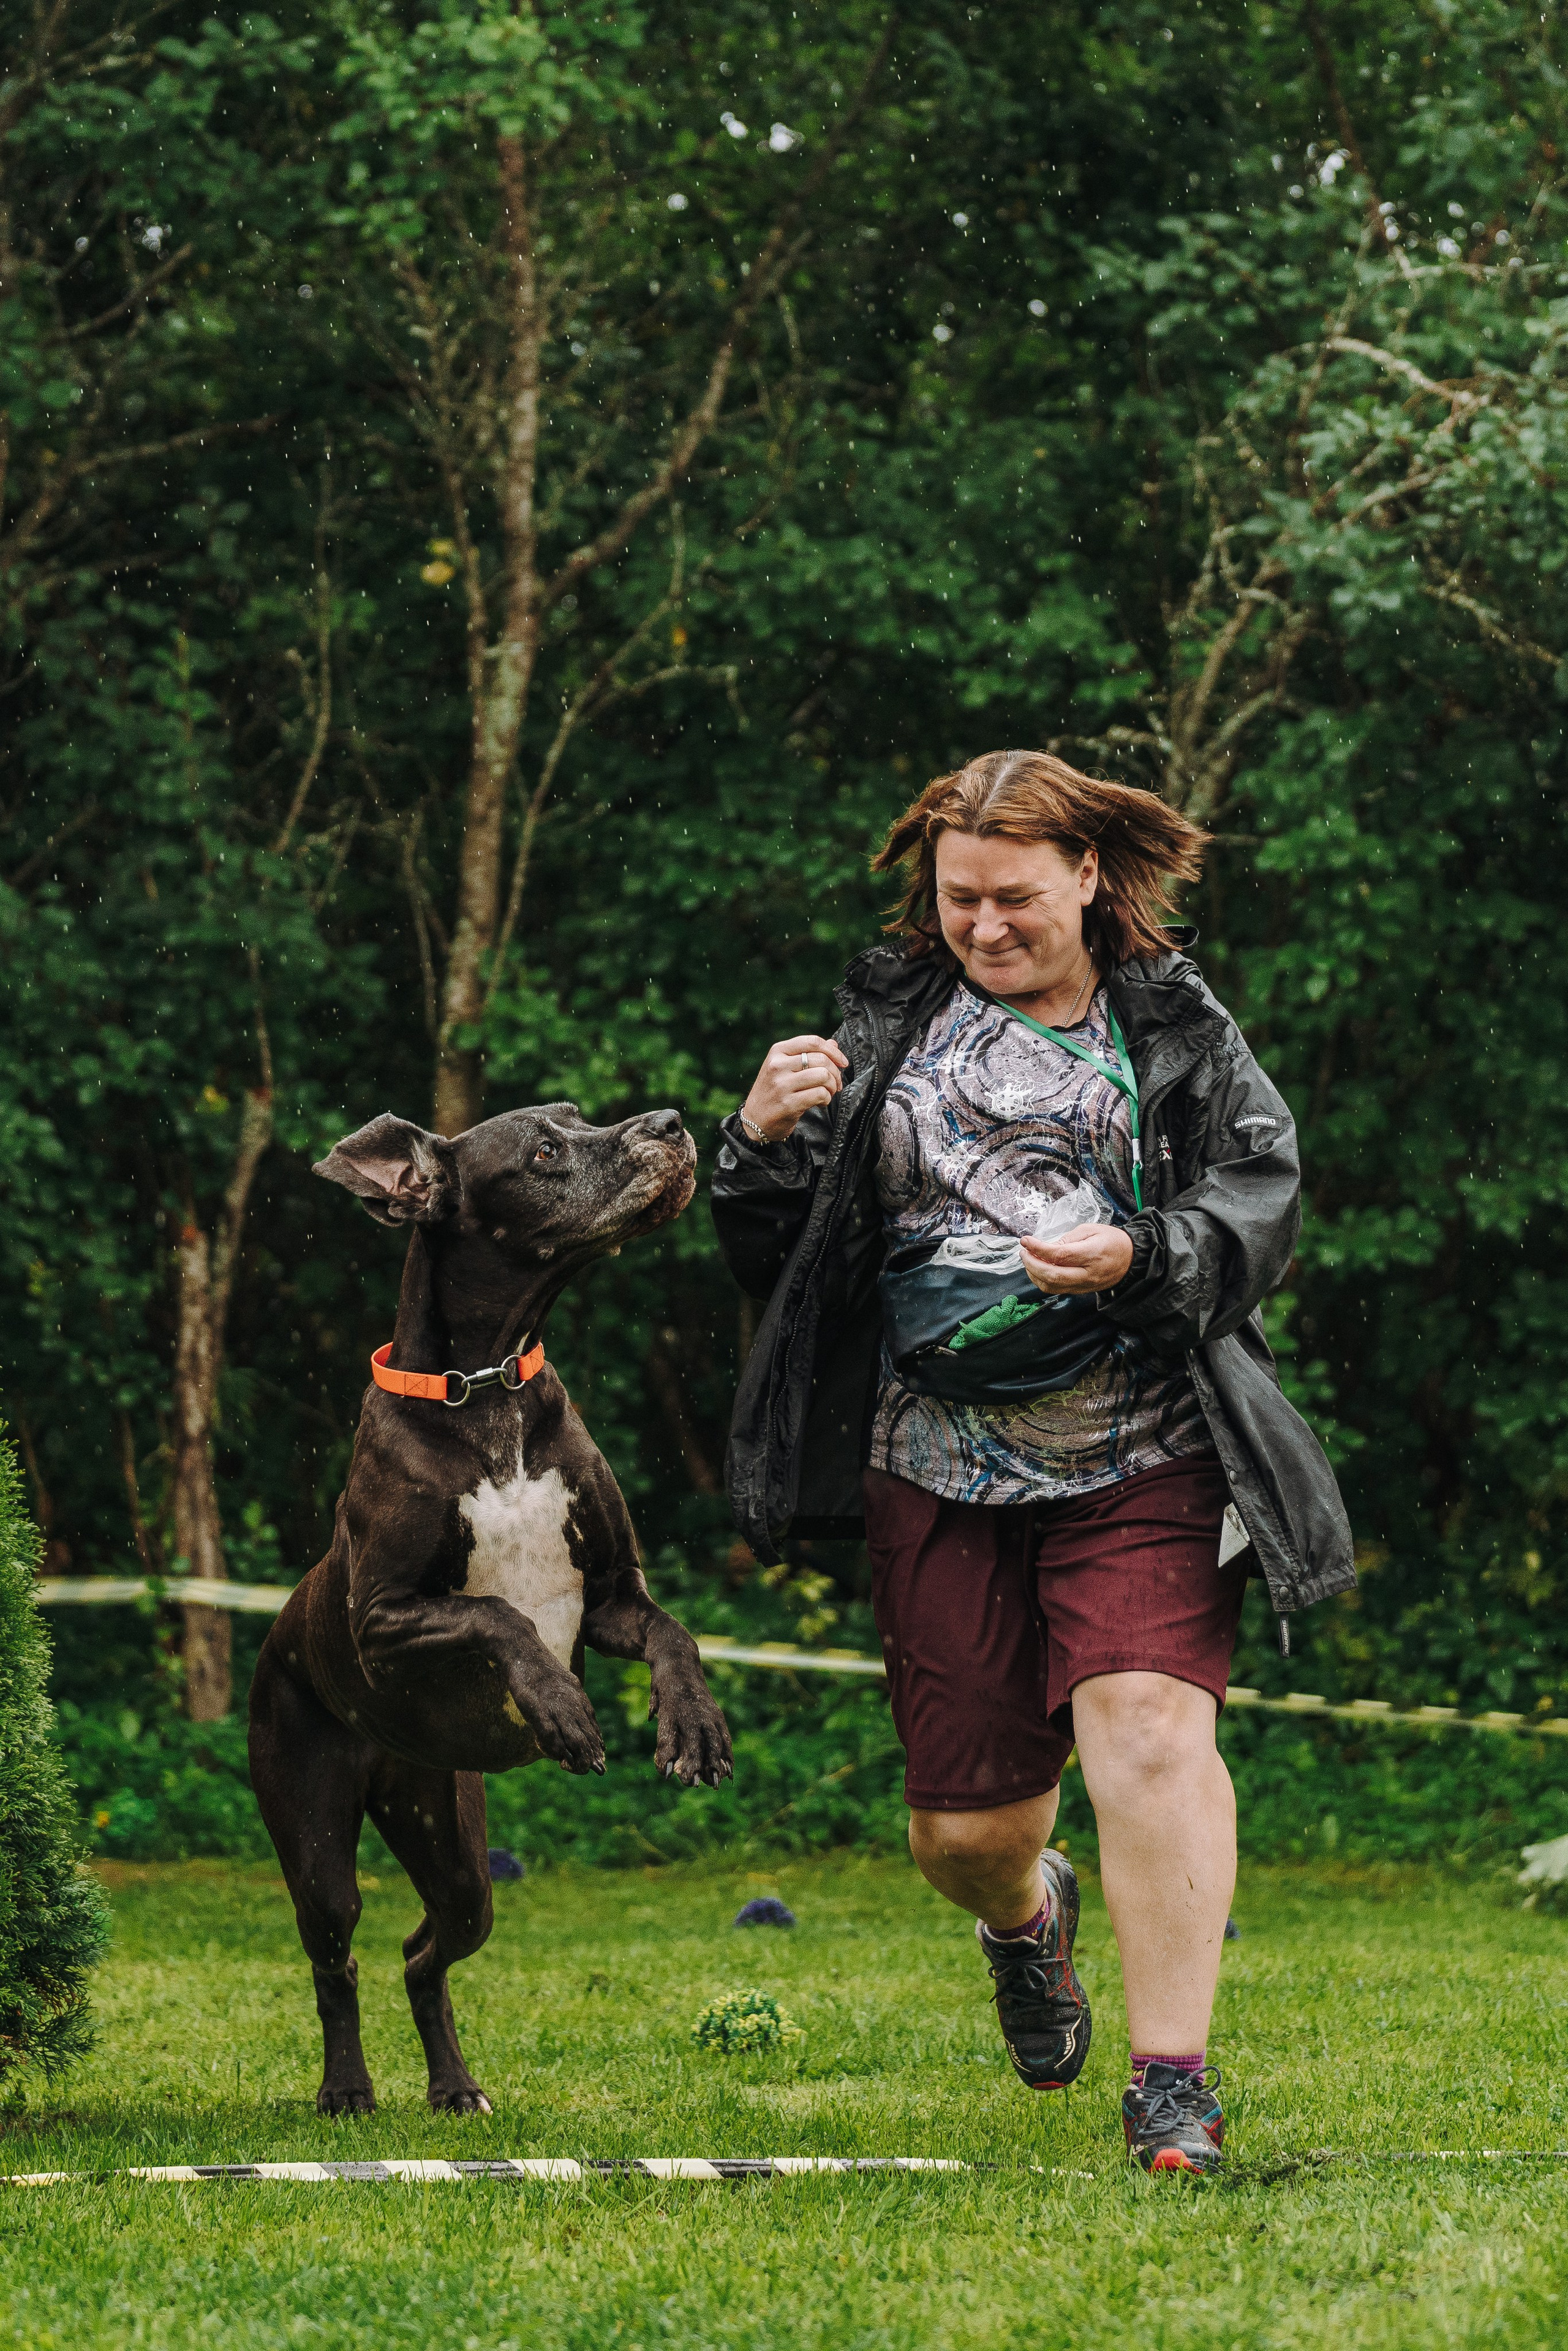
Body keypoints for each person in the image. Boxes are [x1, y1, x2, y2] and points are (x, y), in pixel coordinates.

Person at [710, 749, 1353, 2175]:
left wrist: (1141, 1250)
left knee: (1146, 1725)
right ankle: (1026, 1916)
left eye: (1015, 897)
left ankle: (1170, 2084)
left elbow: (1259, 1204)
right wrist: (752, 1144)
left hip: (1146, 1446)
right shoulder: (880, 1026)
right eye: (958, 900)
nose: (985, 925)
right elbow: (780, 1260)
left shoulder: (1175, 1025)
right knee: (963, 1832)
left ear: (1086, 876)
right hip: (930, 1463)